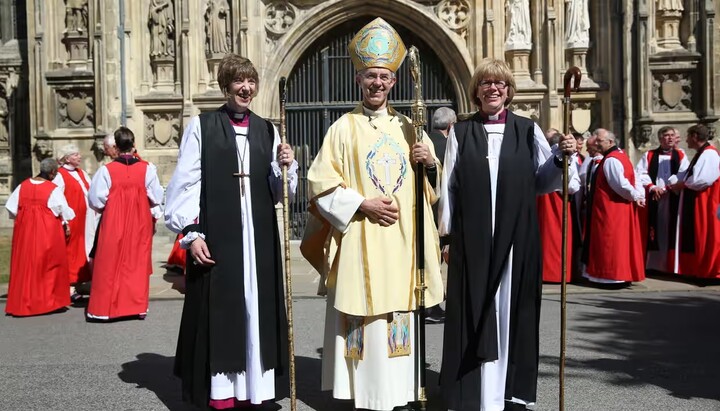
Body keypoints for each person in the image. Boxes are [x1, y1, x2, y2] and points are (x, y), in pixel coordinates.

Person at [301, 18, 444, 411]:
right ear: (359, 78)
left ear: (394, 81)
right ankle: (363, 396)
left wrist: (429, 162)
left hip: (401, 245)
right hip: (360, 239)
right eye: (370, 76)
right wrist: (361, 203)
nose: (377, 83)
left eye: (384, 76)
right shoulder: (341, 129)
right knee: (364, 318)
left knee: (397, 315)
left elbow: (435, 186)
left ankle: (399, 394)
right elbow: (319, 184)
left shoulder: (409, 125)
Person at [438, 57, 579, 411]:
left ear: (509, 91)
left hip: (518, 241)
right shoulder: (461, 132)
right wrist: (447, 238)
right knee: (473, 313)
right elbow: (449, 187)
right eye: (485, 83)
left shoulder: (527, 129)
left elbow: (547, 180)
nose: (493, 88)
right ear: (476, 92)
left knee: (512, 311)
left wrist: (562, 159)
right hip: (473, 242)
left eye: (499, 83)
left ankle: (509, 393)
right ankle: (471, 393)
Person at [165, 54, 297, 410]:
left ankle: (256, 388)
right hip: (218, 235)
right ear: (226, 86)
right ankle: (222, 393)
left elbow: (279, 190)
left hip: (258, 239)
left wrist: (286, 165)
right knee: (222, 310)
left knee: (256, 308)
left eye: (251, 82)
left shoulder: (267, 129)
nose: (246, 88)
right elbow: (186, 184)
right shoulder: (202, 126)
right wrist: (192, 234)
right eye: (239, 82)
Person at [85, 127, 164, 321]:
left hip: (113, 217)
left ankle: (105, 309)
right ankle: (136, 307)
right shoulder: (147, 168)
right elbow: (157, 196)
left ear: (117, 147)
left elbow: (95, 200)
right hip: (140, 219)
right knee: (136, 261)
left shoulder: (106, 170)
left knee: (109, 260)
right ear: (134, 144)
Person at [5, 158, 75, 317]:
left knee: (26, 265)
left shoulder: (23, 185)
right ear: (52, 173)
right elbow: (64, 210)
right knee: (49, 265)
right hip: (48, 231)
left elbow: (11, 208)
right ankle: (47, 302)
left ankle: (25, 301)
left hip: (25, 231)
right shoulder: (53, 189)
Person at [583, 128, 645, 285]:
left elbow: (620, 184)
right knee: (619, 243)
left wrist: (636, 195)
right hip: (619, 207)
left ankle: (609, 276)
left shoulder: (611, 159)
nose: (597, 144)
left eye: (599, 141)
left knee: (610, 242)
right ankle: (618, 275)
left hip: (610, 208)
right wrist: (637, 194)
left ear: (610, 142)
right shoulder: (621, 156)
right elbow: (633, 179)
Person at [668, 124, 720, 279]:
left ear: (695, 137)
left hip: (705, 202)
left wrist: (682, 184)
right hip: (698, 200)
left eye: (688, 136)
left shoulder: (709, 154)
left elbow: (702, 179)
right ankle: (699, 269)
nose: (686, 140)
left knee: (707, 235)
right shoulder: (702, 153)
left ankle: (710, 271)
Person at [634, 126, 689, 273]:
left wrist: (667, 188)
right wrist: (652, 187)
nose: (670, 138)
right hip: (655, 197)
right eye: (666, 135)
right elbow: (640, 173)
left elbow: (684, 173)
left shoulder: (681, 155)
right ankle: (654, 265)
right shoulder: (649, 155)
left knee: (671, 228)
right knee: (655, 228)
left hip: (672, 196)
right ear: (660, 138)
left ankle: (671, 264)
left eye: (672, 135)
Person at [536, 132, 580, 283]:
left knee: (557, 241)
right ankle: (547, 273)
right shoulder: (545, 157)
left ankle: (557, 274)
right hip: (546, 204)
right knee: (546, 241)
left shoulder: (567, 158)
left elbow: (573, 185)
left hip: (558, 203)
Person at [53, 144, 94, 300]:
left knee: (84, 249)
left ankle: (80, 280)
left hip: (86, 219)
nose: (79, 156)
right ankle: (69, 285)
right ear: (67, 158)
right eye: (75, 154)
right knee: (72, 251)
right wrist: (64, 220)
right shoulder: (60, 175)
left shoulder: (82, 173)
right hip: (72, 220)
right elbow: (58, 199)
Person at [427, 107, 456, 324]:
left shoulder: (425, 141)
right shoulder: (448, 146)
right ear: (451, 126)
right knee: (439, 261)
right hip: (441, 213)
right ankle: (433, 306)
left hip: (424, 212)